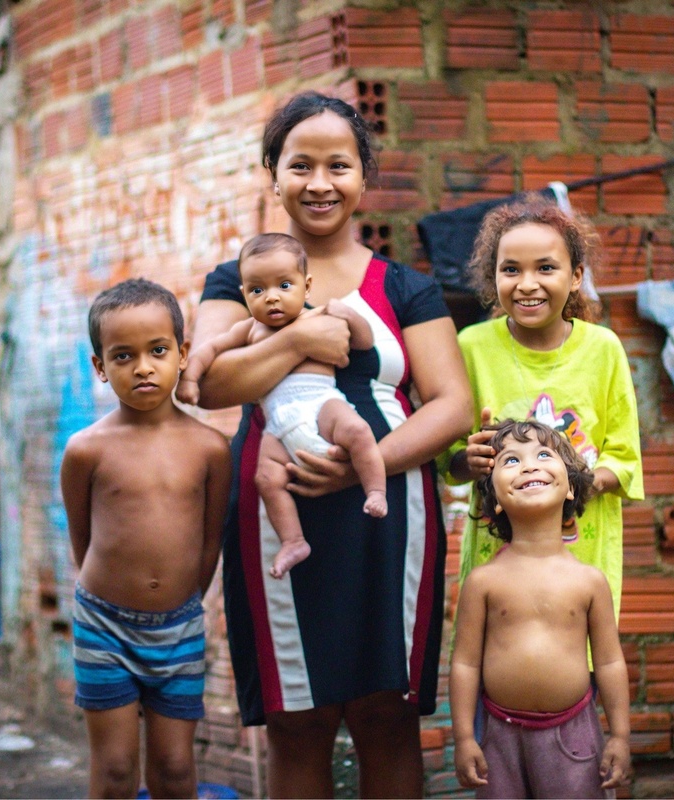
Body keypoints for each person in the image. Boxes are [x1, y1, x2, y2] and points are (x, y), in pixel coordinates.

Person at [183, 91, 472, 797]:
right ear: (271, 174)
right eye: (299, 165)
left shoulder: (406, 288)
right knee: (297, 719)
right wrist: (301, 338)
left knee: (387, 715)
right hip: (274, 516)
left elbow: (454, 405)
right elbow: (212, 384)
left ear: (364, 177)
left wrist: (360, 470)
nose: (319, 183)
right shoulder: (237, 282)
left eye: (338, 165)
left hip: (387, 513)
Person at [60, 278, 231, 799]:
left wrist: (179, 603)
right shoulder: (86, 450)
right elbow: (82, 539)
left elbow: (208, 544)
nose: (142, 367)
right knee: (114, 770)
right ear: (100, 367)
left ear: (181, 353)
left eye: (157, 351)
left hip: (178, 629)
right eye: (122, 356)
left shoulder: (210, 448)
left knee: (177, 770)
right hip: (104, 626)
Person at [444, 195, 643, 619]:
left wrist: (564, 488)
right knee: (495, 664)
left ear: (576, 277)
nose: (527, 283)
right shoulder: (471, 348)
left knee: (579, 666)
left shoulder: (603, 350)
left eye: (545, 268)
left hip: (582, 556)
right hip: (497, 560)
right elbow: (450, 462)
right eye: (511, 269)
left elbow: (624, 459)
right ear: (493, 276)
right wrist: (471, 459)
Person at [179, 233, 387, 579]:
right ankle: (293, 541)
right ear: (244, 294)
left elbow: (365, 343)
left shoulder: (318, 315)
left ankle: (375, 489)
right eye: (258, 290)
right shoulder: (248, 330)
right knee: (266, 477)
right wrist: (188, 379)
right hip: (277, 422)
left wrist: (349, 315)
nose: (271, 297)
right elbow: (207, 351)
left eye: (284, 286)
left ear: (306, 287)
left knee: (356, 430)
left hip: (322, 402)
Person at [451, 419, 631, 798]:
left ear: (570, 487)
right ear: (494, 499)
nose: (529, 465)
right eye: (511, 460)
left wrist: (619, 735)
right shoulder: (483, 582)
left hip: (574, 736)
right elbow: (465, 664)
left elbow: (611, 662)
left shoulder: (589, 581)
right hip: (498, 737)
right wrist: (465, 738)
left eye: (544, 455)